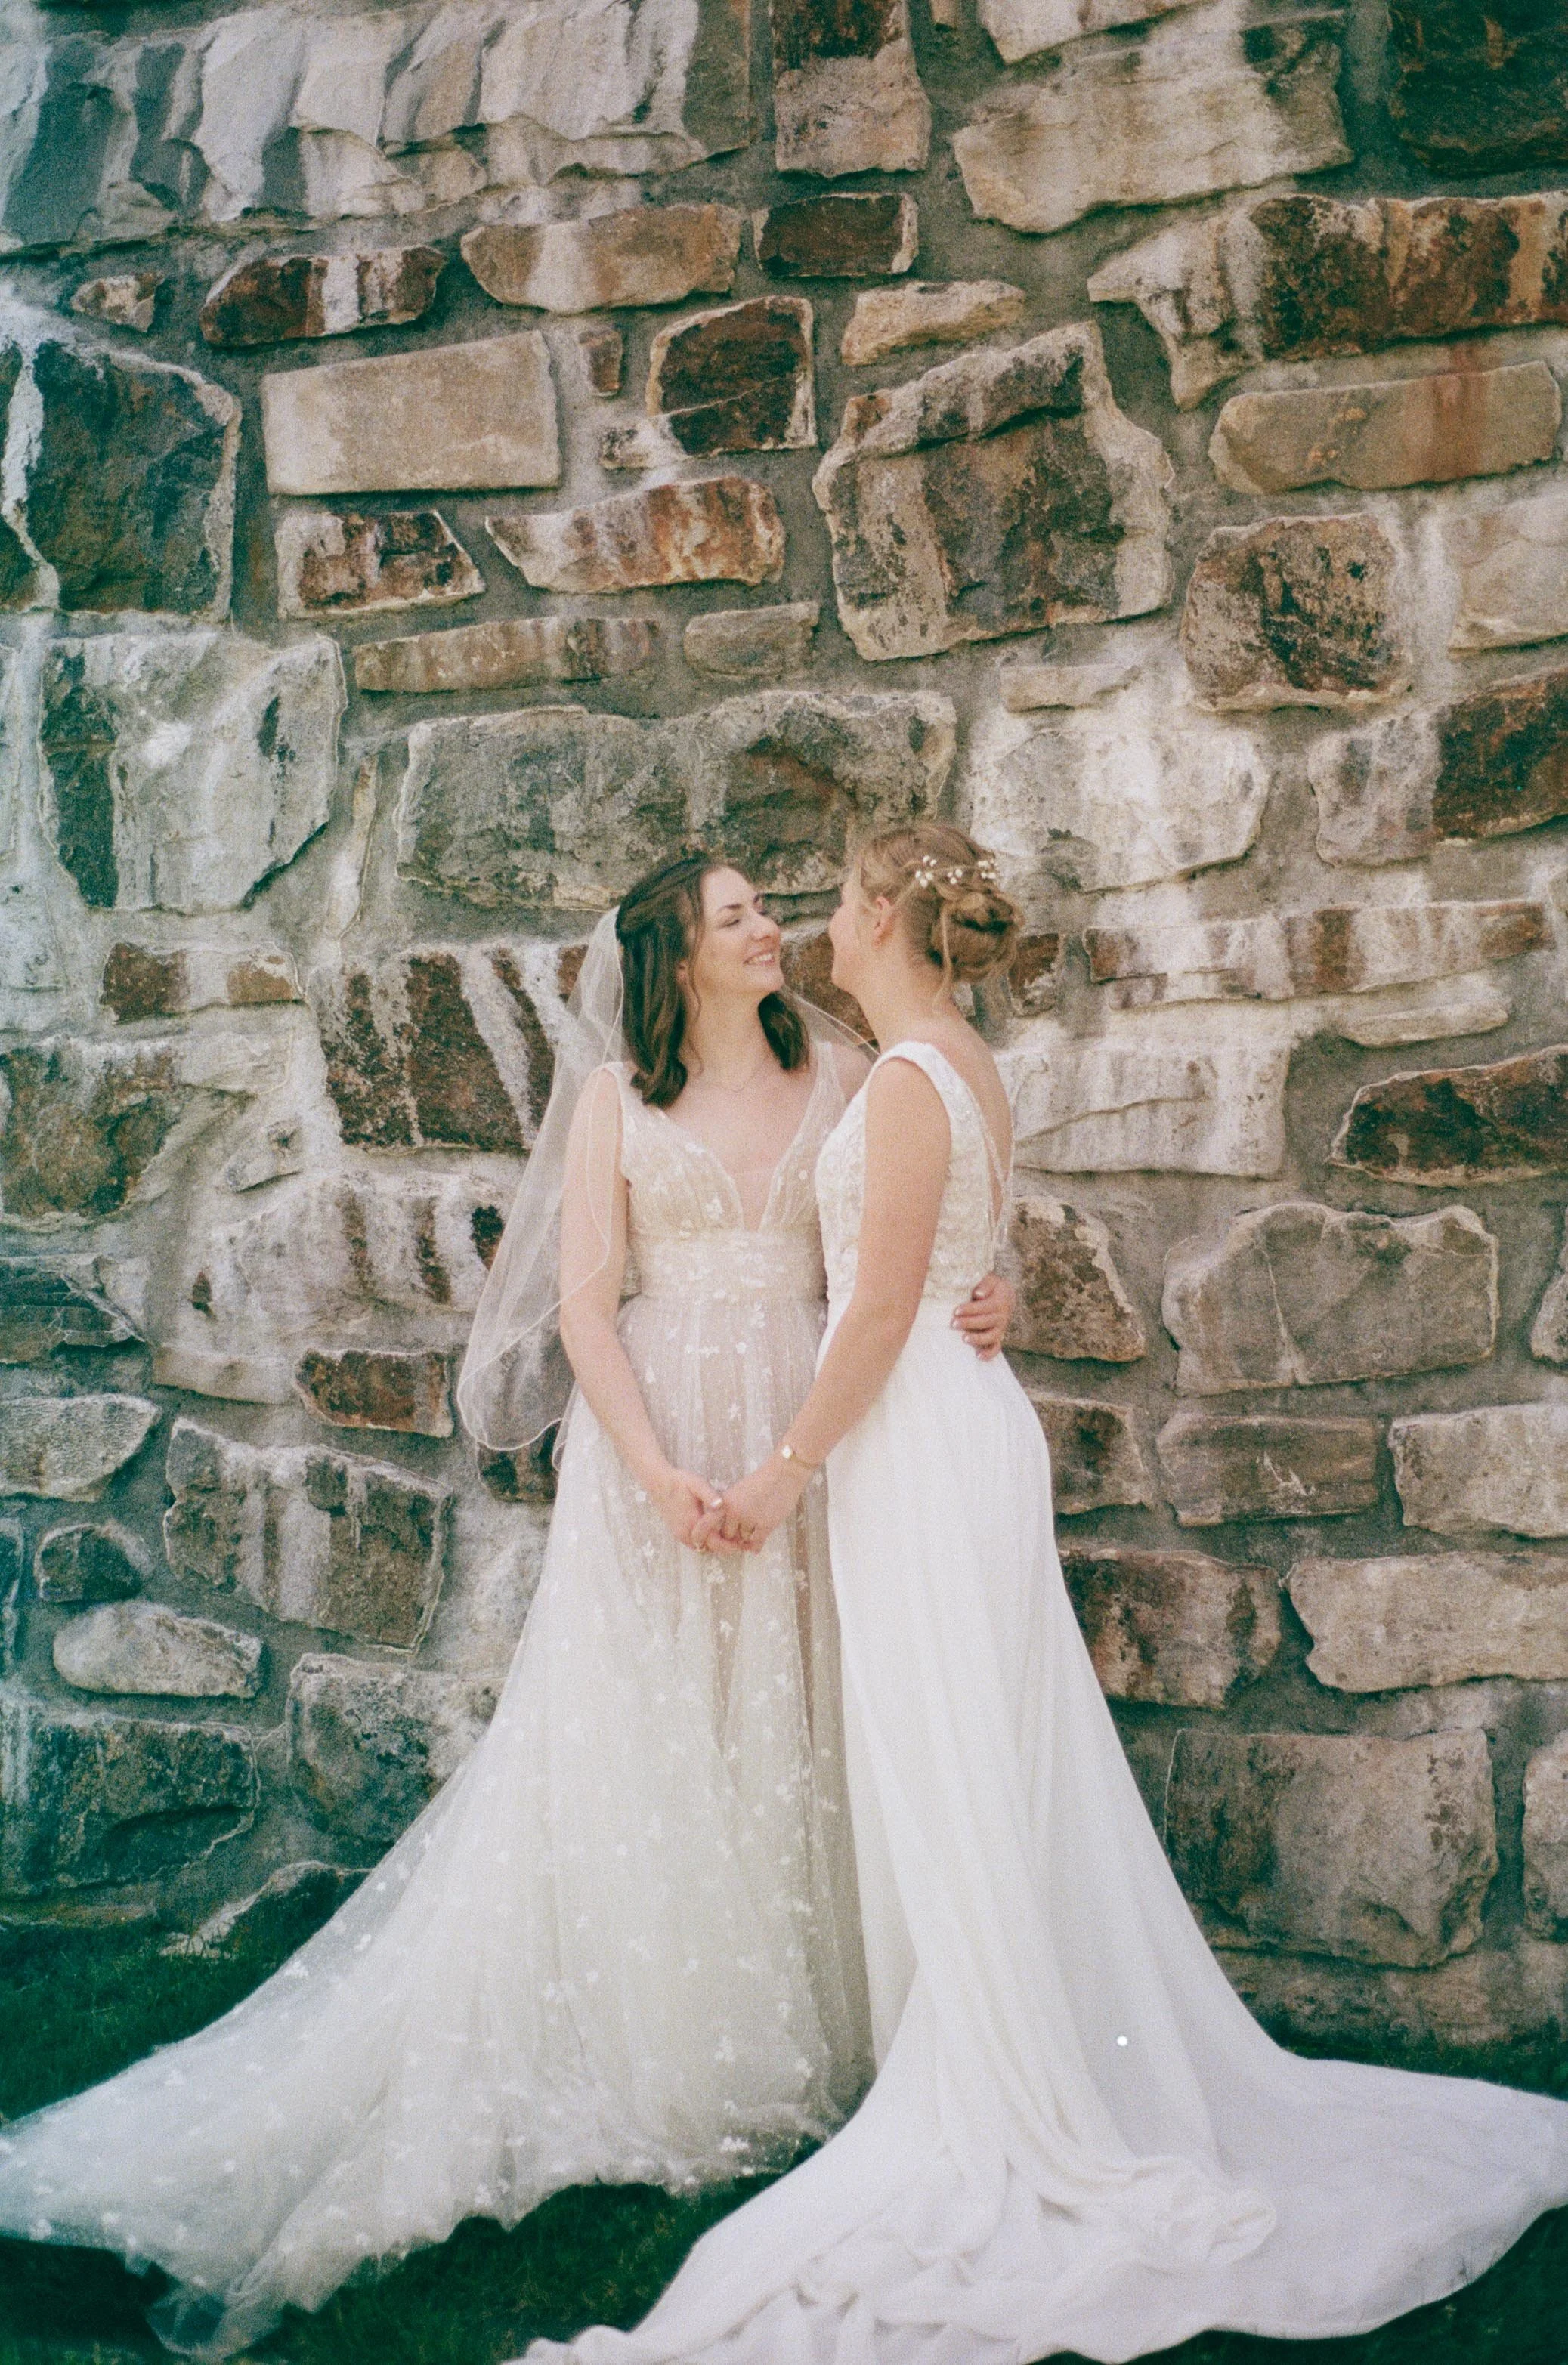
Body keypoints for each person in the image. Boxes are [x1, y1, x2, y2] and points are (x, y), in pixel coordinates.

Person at [528, 824, 1568, 2365]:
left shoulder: (888, 1079)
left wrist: (777, 1475)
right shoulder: (951, 1058)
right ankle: (981, 2026)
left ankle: (992, 2073)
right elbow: (943, 1252)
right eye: (754, 908)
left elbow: (878, 1299)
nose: (803, 920)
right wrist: (978, 1296)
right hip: (955, 1428)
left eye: (824, 896)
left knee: (953, 1754)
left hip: (907, 1443)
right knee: (983, 1752)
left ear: (881, 915)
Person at [0, 850, 1015, 2360]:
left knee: (801, 1697)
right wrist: (657, 1467)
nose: (770, 926)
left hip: (808, 1428)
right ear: (672, 957)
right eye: (736, 911)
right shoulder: (612, 1099)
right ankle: (671, 2021)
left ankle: (819, 2004)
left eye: (762, 906)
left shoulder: (850, 1069)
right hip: (658, 1434)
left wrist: (992, 1283)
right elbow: (584, 1304)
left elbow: (926, 1212)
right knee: (658, 1712)